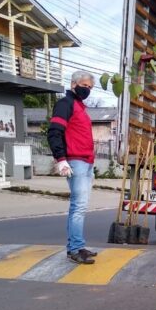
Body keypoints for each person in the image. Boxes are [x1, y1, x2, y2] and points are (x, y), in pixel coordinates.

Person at [47, 71, 98, 264]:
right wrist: (60, 159)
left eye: (90, 88)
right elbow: (54, 132)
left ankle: (76, 246)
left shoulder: (80, 107)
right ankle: (76, 248)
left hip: (86, 162)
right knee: (79, 206)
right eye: (85, 86)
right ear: (73, 84)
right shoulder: (65, 104)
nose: (88, 90)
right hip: (75, 161)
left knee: (79, 206)